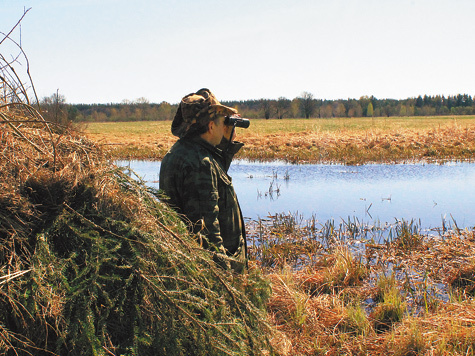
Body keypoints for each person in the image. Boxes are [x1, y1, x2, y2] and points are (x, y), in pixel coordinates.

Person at [159, 88, 247, 273]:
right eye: (221, 122)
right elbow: (206, 234)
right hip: (217, 275)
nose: (224, 127)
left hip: (188, 267)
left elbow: (216, 180)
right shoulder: (200, 163)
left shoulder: (182, 152)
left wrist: (228, 139)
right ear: (210, 126)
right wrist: (225, 281)